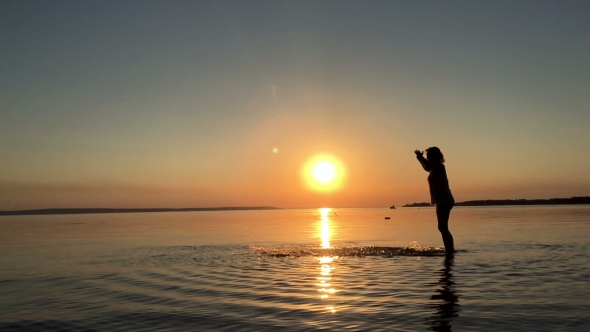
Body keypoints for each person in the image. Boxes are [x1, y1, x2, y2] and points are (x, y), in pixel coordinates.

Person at [415, 147, 455, 255]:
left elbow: (428, 166)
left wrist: (420, 157)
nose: (427, 159)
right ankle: (449, 250)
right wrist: (420, 158)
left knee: (443, 227)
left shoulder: (440, 167)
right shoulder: (434, 168)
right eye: (427, 157)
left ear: (436, 156)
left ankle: (450, 251)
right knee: (442, 227)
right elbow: (427, 168)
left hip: (445, 200)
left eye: (429, 157)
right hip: (441, 201)